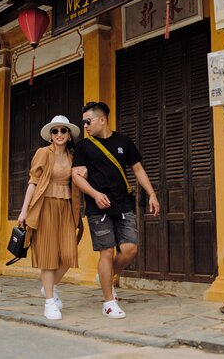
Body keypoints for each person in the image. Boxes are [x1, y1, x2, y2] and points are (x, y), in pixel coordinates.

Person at [72, 101, 160, 319]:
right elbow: (76, 176)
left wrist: (152, 193)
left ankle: (107, 277)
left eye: (88, 121)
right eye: (83, 122)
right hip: (97, 206)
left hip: (122, 203)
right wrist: (94, 194)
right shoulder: (83, 146)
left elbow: (137, 168)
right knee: (107, 251)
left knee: (130, 248)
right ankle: (108, 302)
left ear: (102, 119)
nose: (85, 126)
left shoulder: (124, 142)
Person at [17, 115, 83, 321]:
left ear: (69, 134)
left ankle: (50, 287)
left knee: (68, 254)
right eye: (55, 131)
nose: (59, 134)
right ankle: (49, 302)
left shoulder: (74, 156)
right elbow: (33, 181)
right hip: (44, 206)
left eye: (63, 130)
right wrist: (24, 210)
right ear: (50, 136)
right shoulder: (43, 153)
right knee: (47, 255)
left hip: (66, 207)